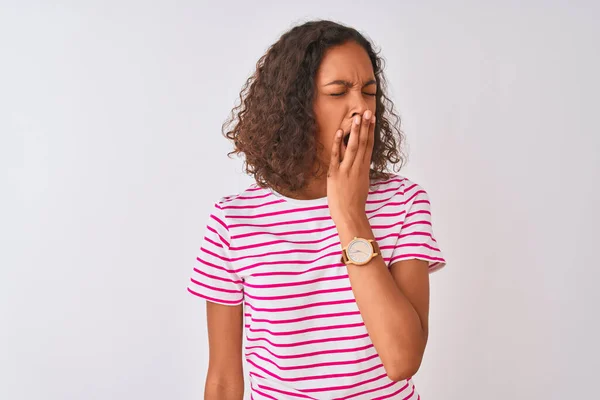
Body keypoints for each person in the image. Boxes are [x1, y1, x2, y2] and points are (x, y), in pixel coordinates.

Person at [187, 19, 447, 400]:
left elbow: (402, 359)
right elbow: (224, 380)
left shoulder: (403, 202)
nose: (361, 108)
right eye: (339, 91)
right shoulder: (234, 221)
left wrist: (349, 214)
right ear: (295, 107)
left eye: (369, 92)